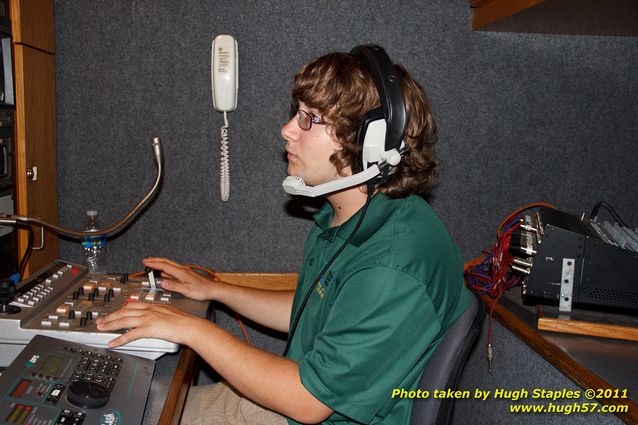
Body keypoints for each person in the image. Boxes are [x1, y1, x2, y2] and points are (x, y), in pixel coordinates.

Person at [96, 48, 471, 425]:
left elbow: (308, 402)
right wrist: (217, 290)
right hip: (292, 400)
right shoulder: (357, 216)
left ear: (372, 144)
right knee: (131, 409)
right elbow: (316, 309)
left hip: (301, 406)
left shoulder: (392, 266)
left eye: (310, 119)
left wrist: (191, 328)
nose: (288, 129)